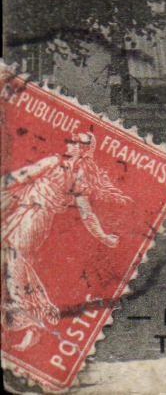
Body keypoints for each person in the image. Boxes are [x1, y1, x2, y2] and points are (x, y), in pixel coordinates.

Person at [3, 130, 131, 350]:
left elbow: (86, 214)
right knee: (16, 267)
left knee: (14, 264)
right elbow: (21, 176)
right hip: (27, 216)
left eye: (75, 142)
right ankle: (35, 321)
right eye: (71, 140)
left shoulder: (66, 169)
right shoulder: (68, 170)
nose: (69, 144)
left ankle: (28, 322)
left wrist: (102, 236)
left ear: (84, 149)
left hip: (33, 219)